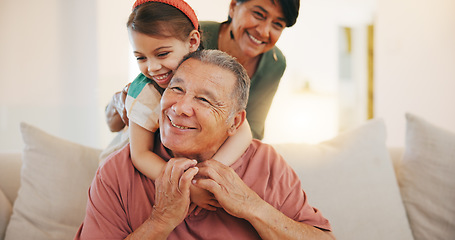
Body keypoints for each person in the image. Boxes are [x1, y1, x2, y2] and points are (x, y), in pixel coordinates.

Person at [75, 50, 334, 239]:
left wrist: (252, 206)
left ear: (235, 123)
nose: (180, 108)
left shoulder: (266, 164)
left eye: (205, 100)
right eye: (176, 89)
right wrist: (161, 220)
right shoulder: (119, 170)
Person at [117, 0, 253, 213]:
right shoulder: (143, 93)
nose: (152, 67)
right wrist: (189, 185)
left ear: (192, 41)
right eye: (140, 58)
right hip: (131, 155)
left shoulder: (210, 72)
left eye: (162, 54)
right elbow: (140, 155)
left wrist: (207, 174)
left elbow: (244, 132)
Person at [106, 0, 300, 140]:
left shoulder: (275, 63)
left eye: (277, 24)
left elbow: (254, 128)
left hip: (215, 145)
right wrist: (120, 102)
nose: (264, 31)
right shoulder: (189, 38)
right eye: (258, 14)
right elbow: (145, 89)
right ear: (233, 6)